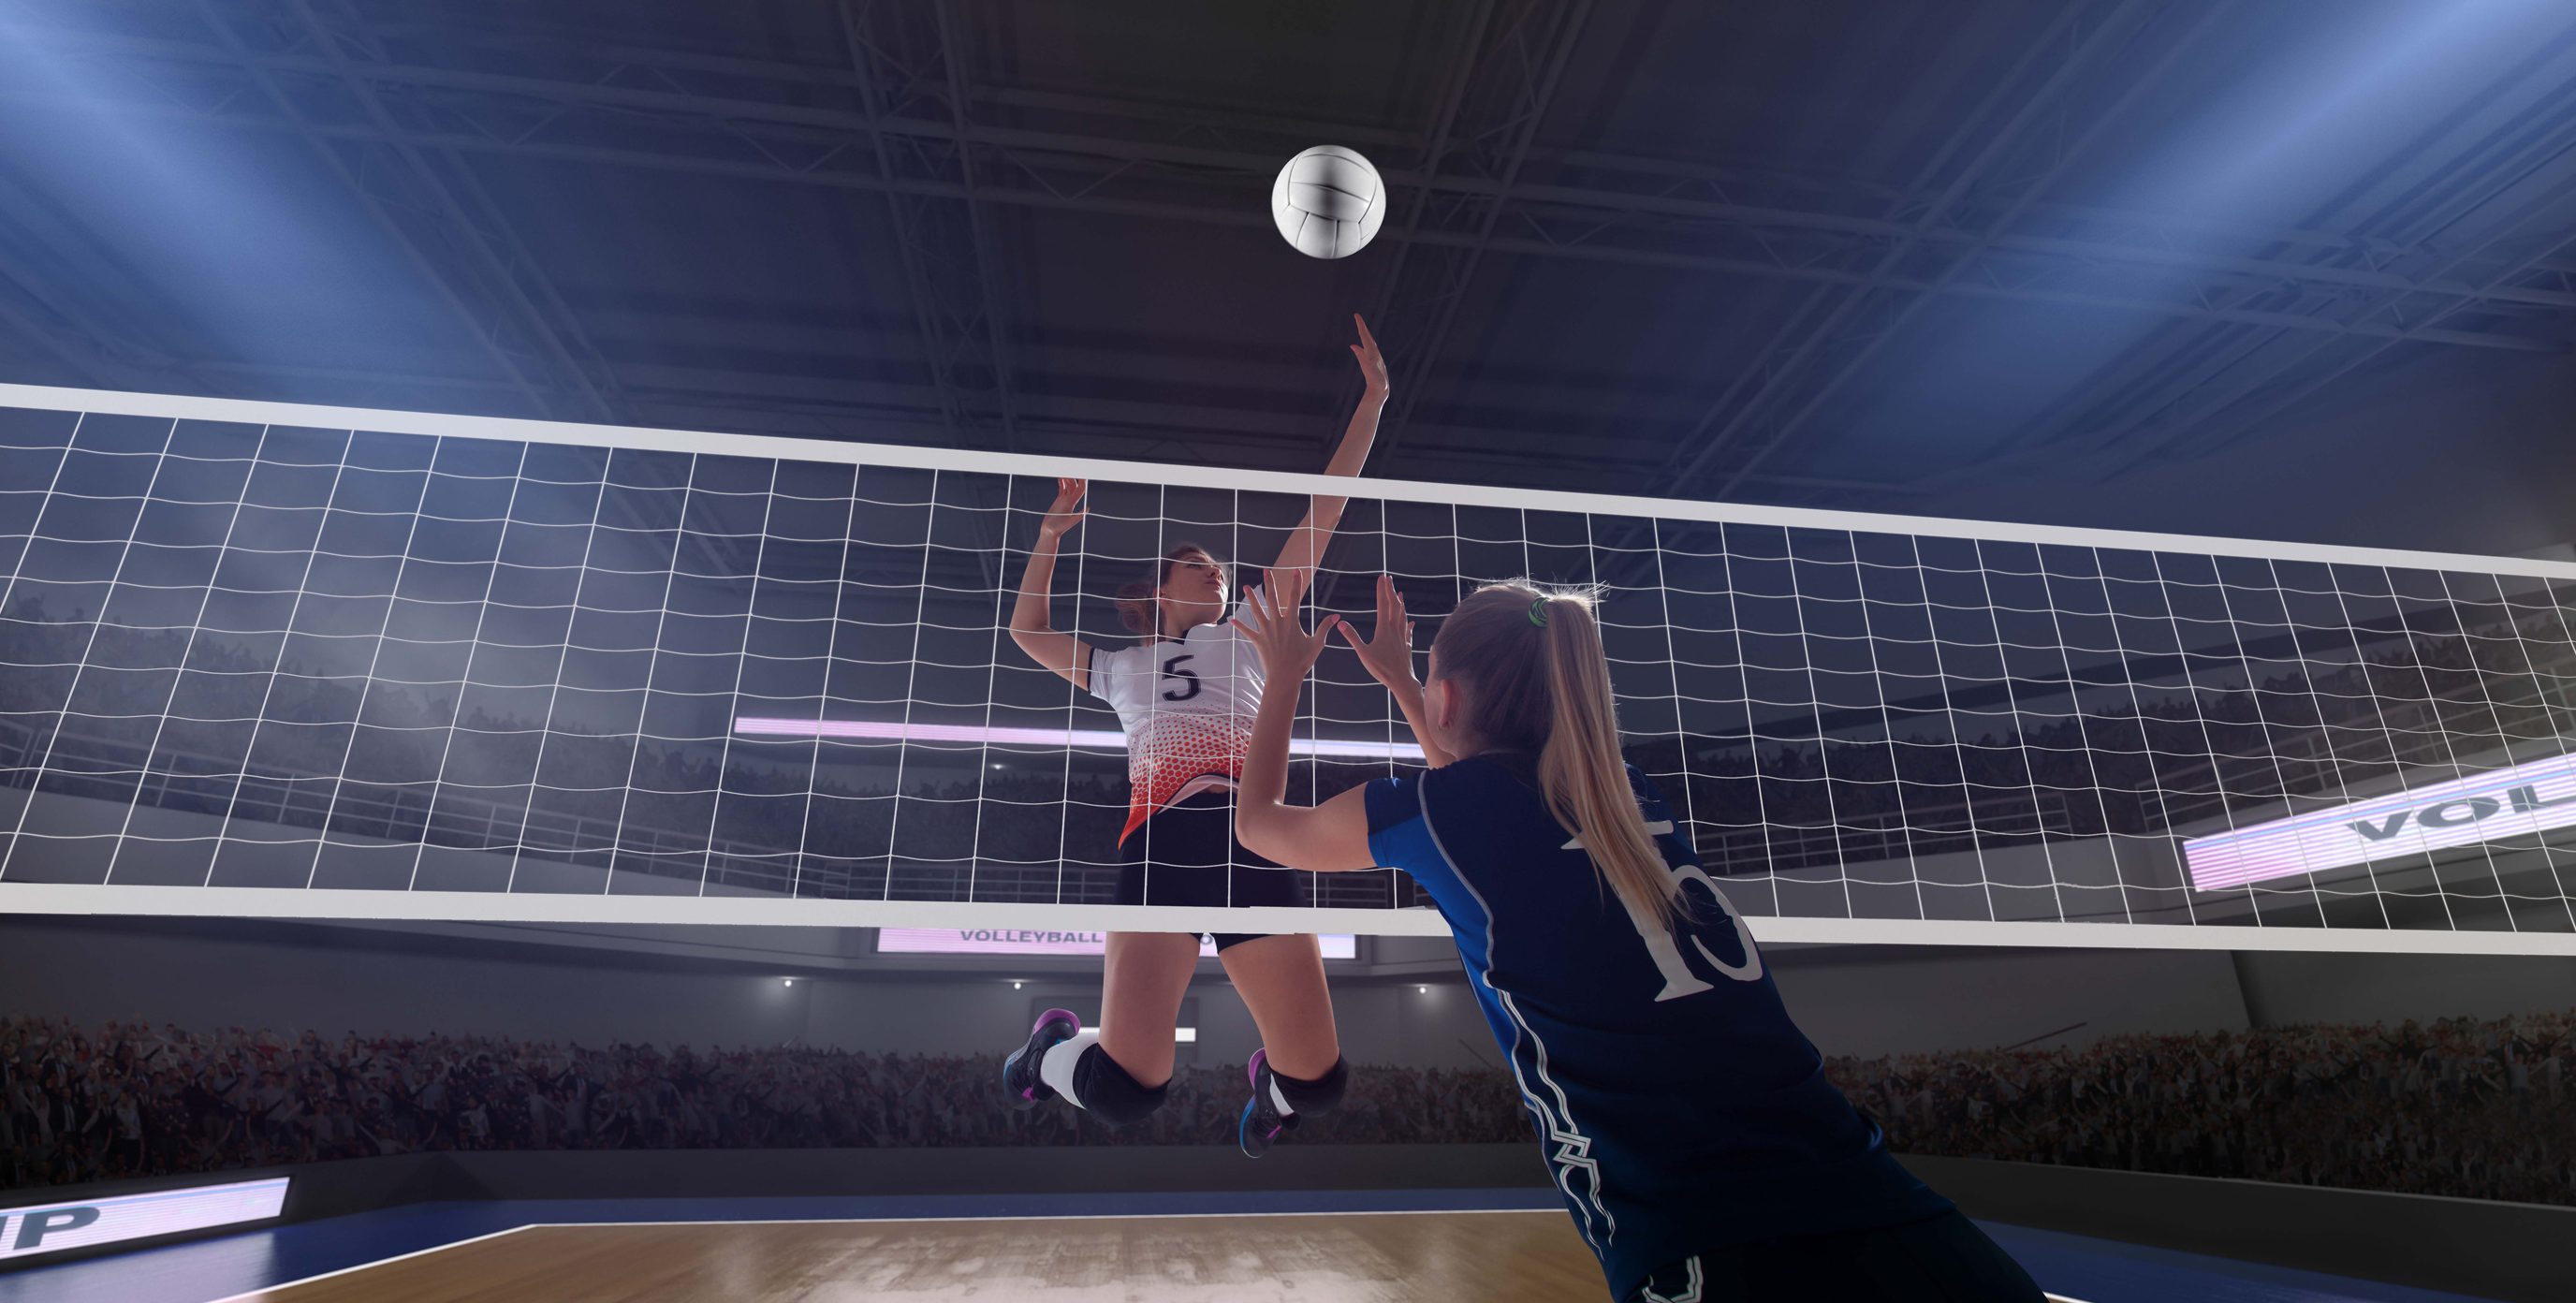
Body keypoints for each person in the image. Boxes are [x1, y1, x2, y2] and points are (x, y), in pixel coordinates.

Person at [1223, 570, 2050, 1303]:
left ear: (1447, 703)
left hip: (1709, 1242)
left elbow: (1260, 826)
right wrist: (1410, 683)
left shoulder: (1433, 814)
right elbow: (1477, 790)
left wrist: (1283, 676)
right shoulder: (1630, 797)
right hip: (1894, 1212)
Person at [998, 315, 1390, 1157]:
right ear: (1162, 587)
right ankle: (1050, 1049)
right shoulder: (1122, 665)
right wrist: (1047, 541)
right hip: (1163, 844)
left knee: (1322, 1086)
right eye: (1197, 565)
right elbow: (1027, 631)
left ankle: (1273, 1091)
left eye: (1219, 566)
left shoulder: (1252, 621)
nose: (1214, 571)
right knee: (1125, 1096)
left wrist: (1374, 405)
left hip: (1255, 836)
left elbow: (1326, 507)